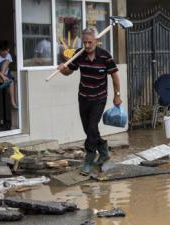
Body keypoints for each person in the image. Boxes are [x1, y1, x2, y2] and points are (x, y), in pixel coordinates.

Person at [57, 27, 121, 175]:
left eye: (90, 42)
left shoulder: (105, 56)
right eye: (84, 42)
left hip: (99, 98)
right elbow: (68, 72)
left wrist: (117, 95)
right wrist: (62, 69)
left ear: (97, 41)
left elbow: (115, 76)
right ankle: (104, 150)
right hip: (83, 97)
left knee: (92, 126)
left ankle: (89, 158)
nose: (87, 46)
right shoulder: (78, 54)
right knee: (88, 129)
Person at [0, 40, 18, 109]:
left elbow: (8, 68)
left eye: (7, 50)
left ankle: (12, 102)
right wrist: (2, 76)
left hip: (5, 76)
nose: (5, 52)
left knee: (11, 82)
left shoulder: (9, 55)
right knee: (6, 61)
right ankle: (1, 80)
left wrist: (5, 77)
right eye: (3, 51)